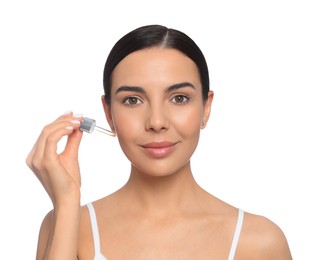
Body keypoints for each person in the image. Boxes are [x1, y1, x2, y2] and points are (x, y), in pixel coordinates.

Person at [26, 24, 292, 259]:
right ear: (109, 113)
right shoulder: (65, 222)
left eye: (179, 98)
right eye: (132, 100)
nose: (156, 121)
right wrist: (68, 200)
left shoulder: (259, 241)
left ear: (206, 107)